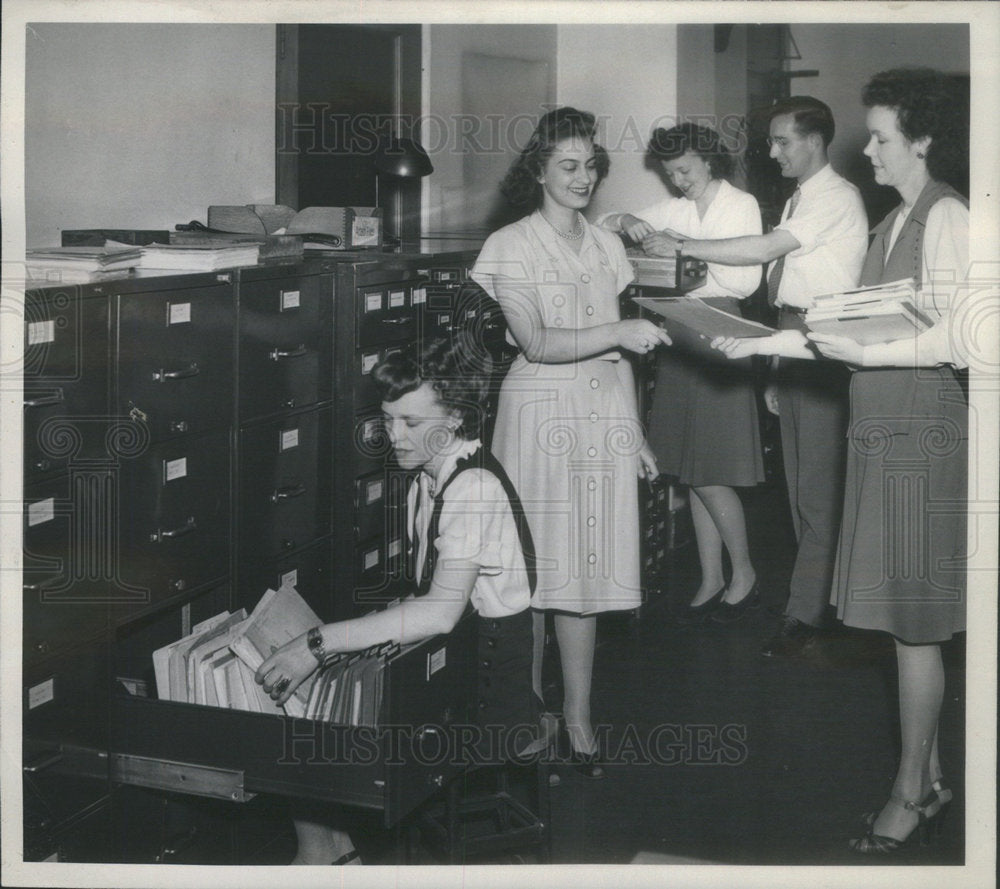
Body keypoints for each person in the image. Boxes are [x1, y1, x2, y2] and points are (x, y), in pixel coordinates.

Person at [714, 67, 975, 853]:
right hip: (881, 424)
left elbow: (964, 339)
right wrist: (763, 342)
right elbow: (845, 328)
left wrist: (864, 351)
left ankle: (910, 790)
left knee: (914, 626)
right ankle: (924, 780)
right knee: (901, 626)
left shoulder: (949, 215)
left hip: (920, 429)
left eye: (885, 137)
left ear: (924, 139)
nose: (871, 151)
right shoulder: (893, 221)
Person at [255, 335, 538, 864]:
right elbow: (425, 594)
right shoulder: (427, 481)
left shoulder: (472, 488)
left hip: (485, 695)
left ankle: (329, 853)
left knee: (307, 720)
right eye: (388, 420)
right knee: (304, 703)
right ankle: (331, 848)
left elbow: (440, 610)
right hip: (451, 664)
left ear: (455, 417)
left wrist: (317, 643)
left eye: (411, 422)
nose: (394, 437)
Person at [471, 107, 671, 777]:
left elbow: (622, 360)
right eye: (568, 165)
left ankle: (579, 716)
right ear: (539, 170)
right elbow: (534, 340)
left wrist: (634, 431)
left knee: (584, 568)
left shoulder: (608, 246)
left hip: (598, 416)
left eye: (591, 165)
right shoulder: (509, 245)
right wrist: (617, 334)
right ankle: (527, 714)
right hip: (536, 417)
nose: (583, 177)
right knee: (531, 571)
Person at [645, 97, 868, 656]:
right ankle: (810, 602)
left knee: (816, 492)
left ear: (814, 140)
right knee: (798, 488)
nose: (771, 152)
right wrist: (773, 366)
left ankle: (810, 614)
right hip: (793, 338)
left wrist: (683, 246)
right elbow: (786, 286)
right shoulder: (801, 198)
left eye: (781, 141)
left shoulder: (836, 198)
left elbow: (767, 251)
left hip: (824, 341)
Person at [598, 123, 764, 623]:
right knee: (690, 472)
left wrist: (684, 248)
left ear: (709, 161)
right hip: (679, 335)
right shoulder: (672, 209)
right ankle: (710, 575)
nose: (679, 182)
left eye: (686, 170)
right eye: (671, 174)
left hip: (721, 333)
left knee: (713, 473)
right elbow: (603, 223)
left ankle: (746, 571)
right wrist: (627, 217)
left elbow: (744, 278)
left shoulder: (741, 204)